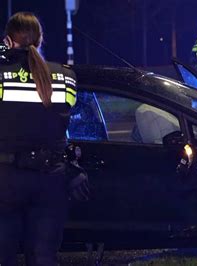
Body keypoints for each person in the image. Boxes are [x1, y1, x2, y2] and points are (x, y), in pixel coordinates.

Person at [0, 12, 80, 266]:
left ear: (8, 41)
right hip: (50, 180)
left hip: (6, 179)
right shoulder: (66, 77)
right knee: (44, 257)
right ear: (40, 39)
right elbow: (62, 118)